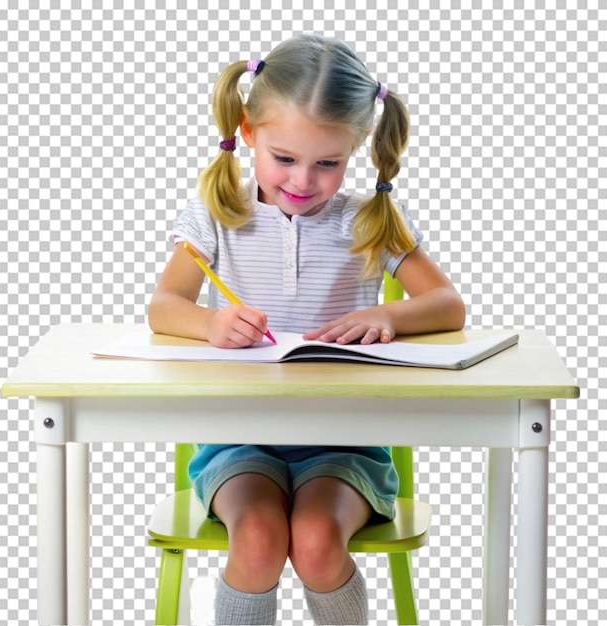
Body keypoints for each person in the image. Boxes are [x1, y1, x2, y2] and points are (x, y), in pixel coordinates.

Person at [149, 33, 465, 626]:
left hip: (344, 441)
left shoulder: (368, 220)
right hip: (239, 440)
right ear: (247, 132)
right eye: (284, 158)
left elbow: (448, 305)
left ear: (357, 149)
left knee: (317, 541)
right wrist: (210, 322)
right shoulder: (218, 214)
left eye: (328, 163)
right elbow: (164, 306)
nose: (303, 179)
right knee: (260, 539)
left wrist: (388, 314)